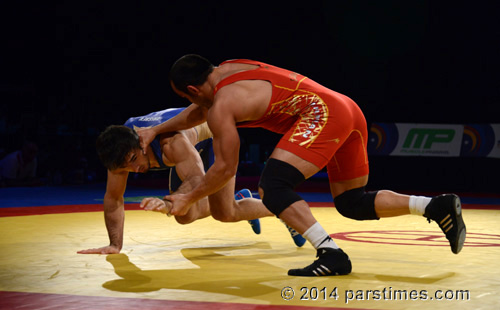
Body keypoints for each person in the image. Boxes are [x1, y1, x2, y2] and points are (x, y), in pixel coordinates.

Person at [137, 55, 466, 277]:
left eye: (188, 97)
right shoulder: (228, 69)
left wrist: (186, 198)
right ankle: (435, 206)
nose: (192, 105)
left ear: (193, 90)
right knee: (352, 202)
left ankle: (330, 254)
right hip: (348, 109)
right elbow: (198, 111)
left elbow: (224, 169)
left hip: (324, 115)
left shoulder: (222, 106)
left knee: (274, 186)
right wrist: (158, 129)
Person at [78, 108, 305, 255]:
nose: (134, 169)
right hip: (190, 152)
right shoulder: (120, 151)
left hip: (217, 138)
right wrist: (115, 245)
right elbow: (113, 198)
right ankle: (240, 198)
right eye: (127, 167)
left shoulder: (170, 143)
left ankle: (282, 209)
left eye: (134, 160)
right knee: (184, 216)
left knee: (225, 212)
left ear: (141, 142)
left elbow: (196, 178)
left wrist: (168, 203)